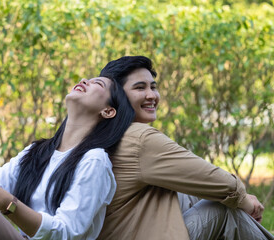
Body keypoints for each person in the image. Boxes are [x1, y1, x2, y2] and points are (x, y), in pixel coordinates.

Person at [0, 76, 135, 240]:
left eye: (98, 83)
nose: (85, 80)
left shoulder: (94, 161)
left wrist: (6, 203)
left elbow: (66, 232)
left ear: (108, 111)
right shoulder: (38, 152)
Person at [97, 56, 274, 240]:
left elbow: (200, 177)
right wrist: (246, 201)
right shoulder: (139, 138)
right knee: (222, 210)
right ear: (116, 95)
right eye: (140, 88)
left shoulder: (108, 132)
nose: (152, 95)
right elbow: (225, 185)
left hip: (130, 229)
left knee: (188, 192)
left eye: (153, 87)